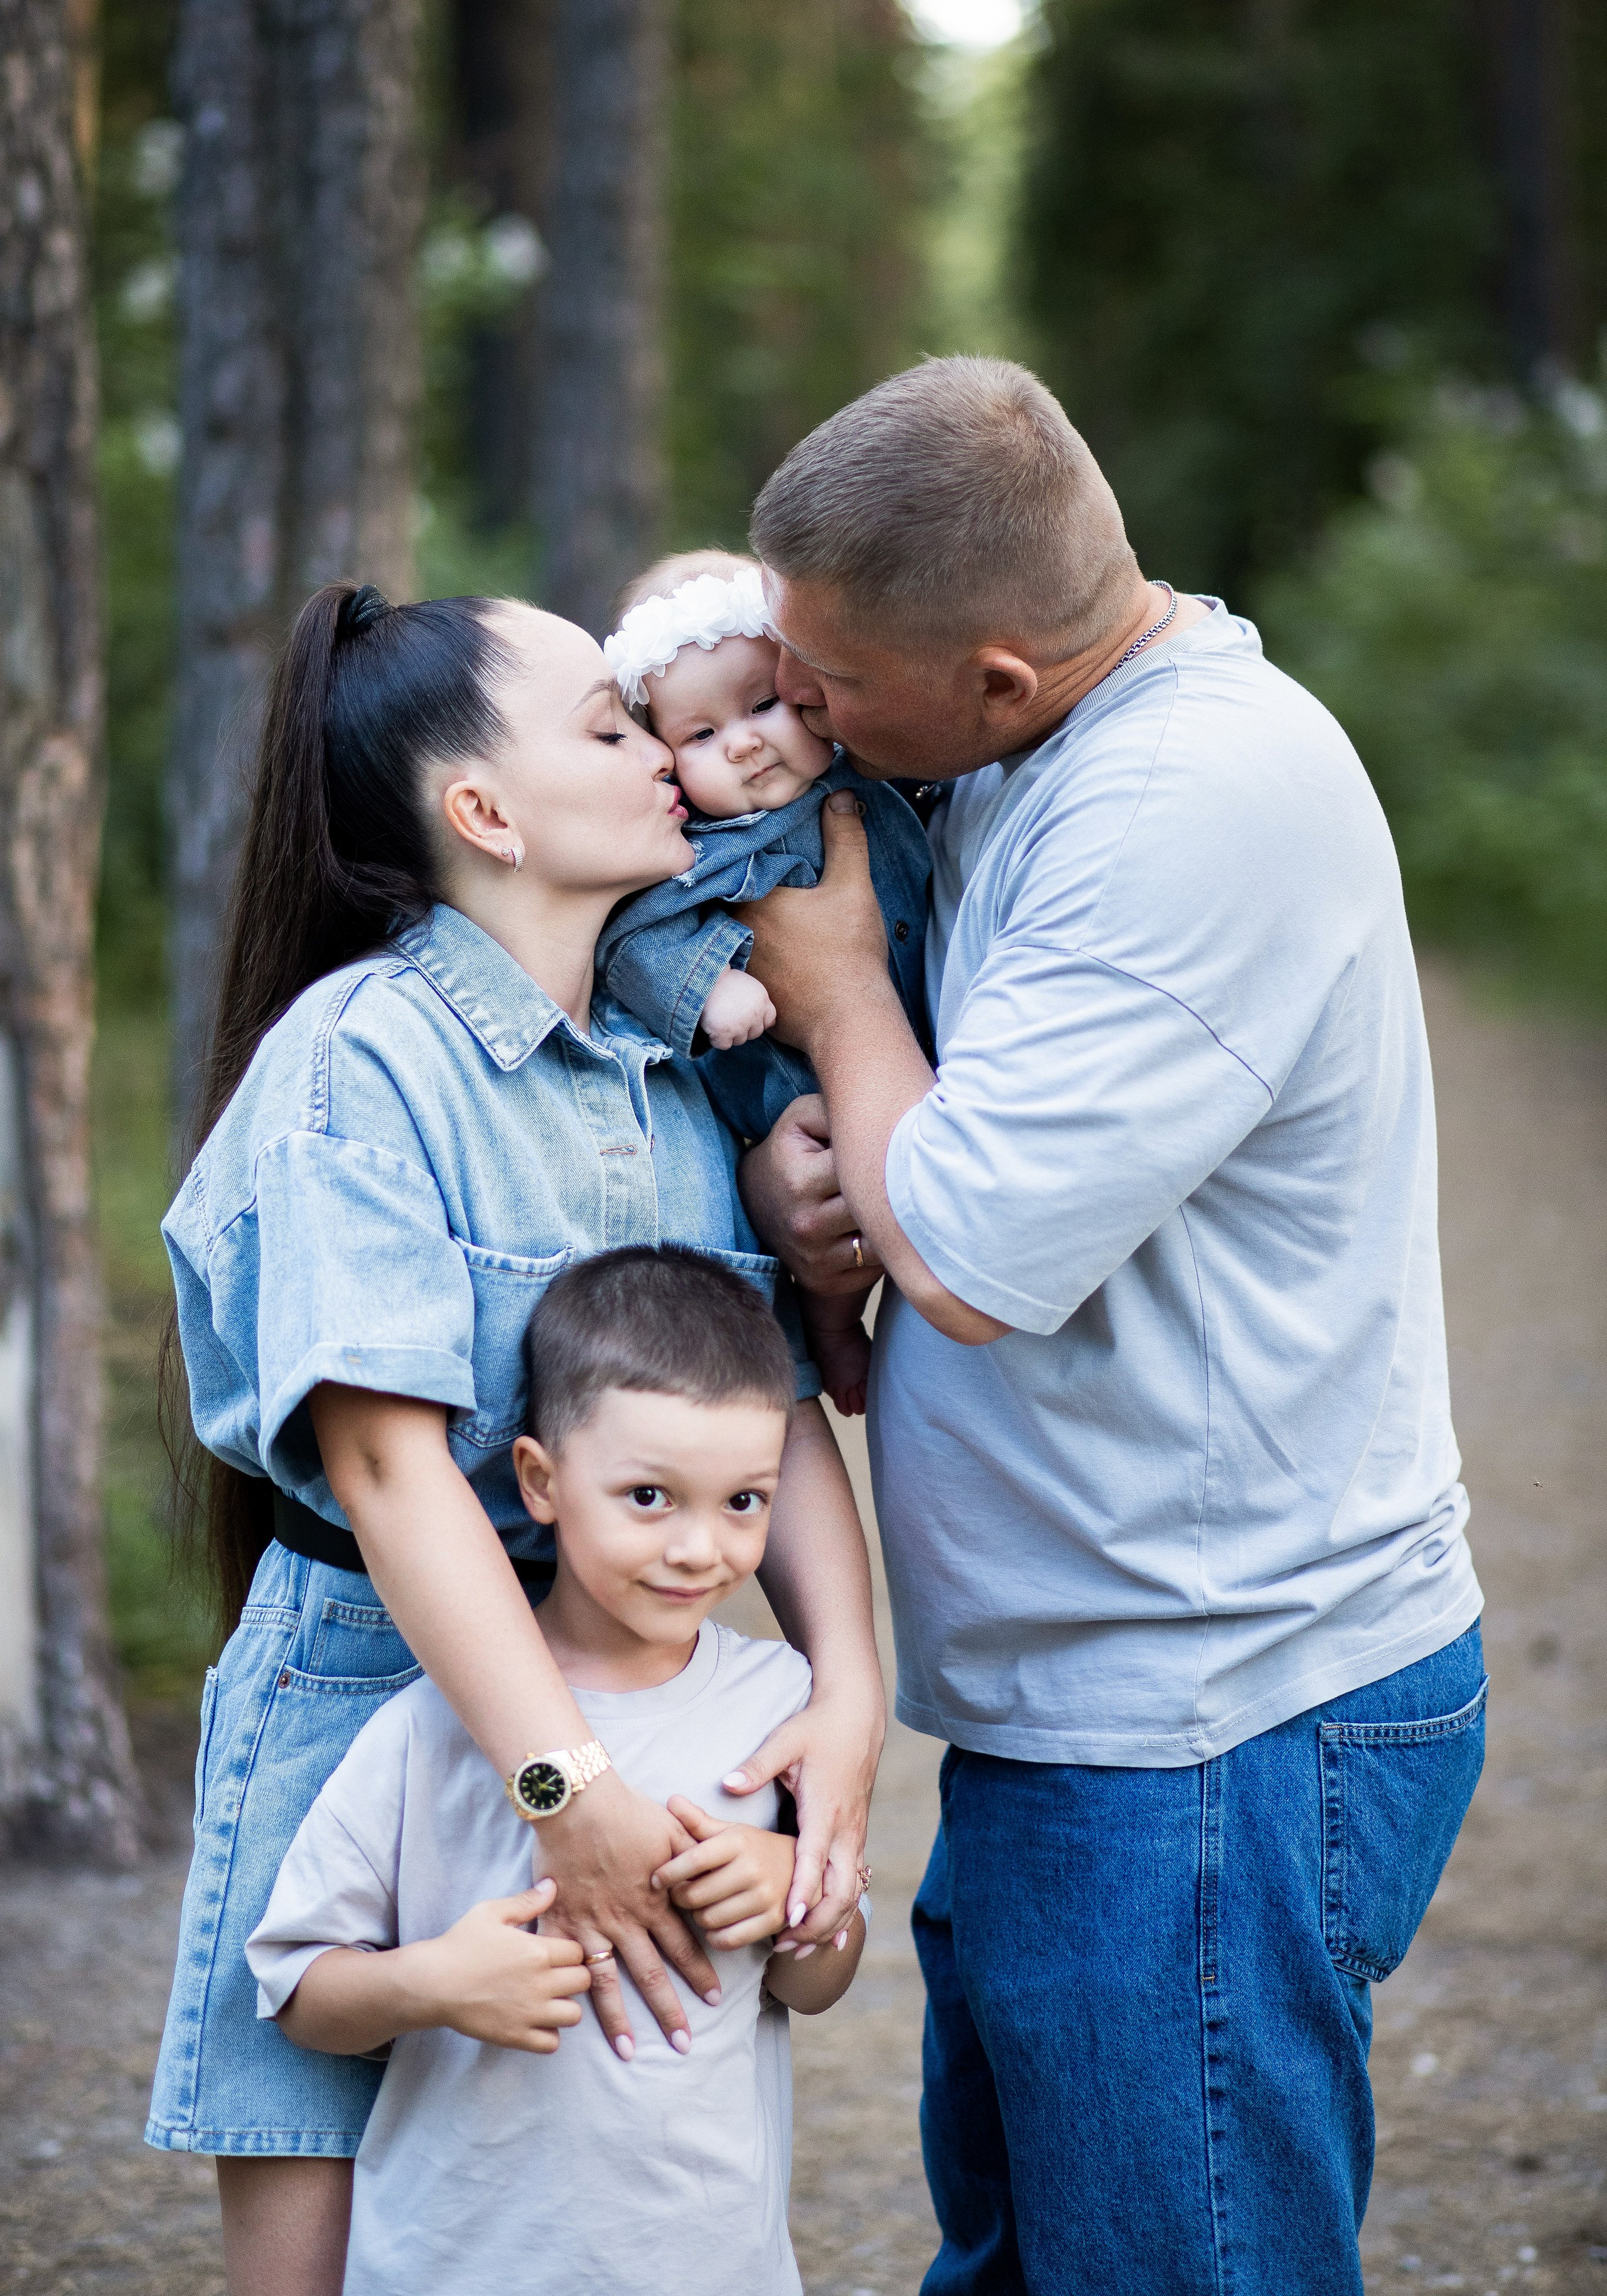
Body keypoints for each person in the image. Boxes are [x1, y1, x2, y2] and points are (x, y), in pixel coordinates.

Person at [735, 356, 1488, 2296]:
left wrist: (831, 1000)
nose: (798, 714)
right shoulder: (1026, 752)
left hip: (1213, 1717)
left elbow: (973, 1247)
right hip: (1095, 1698)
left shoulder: (1194, 798)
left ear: (997, 671)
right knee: (1033, 2259)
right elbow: (950, 1149)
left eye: (828, 684)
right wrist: (824, 1177)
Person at [147, 581, 883, 2296]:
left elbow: (764, 1399)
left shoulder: (672, 1072)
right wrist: (564, 1786)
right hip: (365, 1698)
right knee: (327, 2250)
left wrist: (845, 1692)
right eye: (614, 726)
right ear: (484, 812)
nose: (663, 749)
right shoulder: (358, 1069)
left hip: (628, 1663)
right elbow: (395, 1473)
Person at [245, 1247, 864, 2296]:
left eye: (745, 1502)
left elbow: (818, 1982)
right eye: (650, 1497)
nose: (700, 1549)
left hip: (707, 2265)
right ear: (541, 1480)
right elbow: (298, 1991)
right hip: (457, 2265)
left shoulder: (778, 1711)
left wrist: (797, 1901)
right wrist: (430, 1983)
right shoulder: (435, 1726)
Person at [594, 547, 931, 1415]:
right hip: (790, 1087)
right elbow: (633, 940)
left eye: (765, 704)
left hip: (913, 1044)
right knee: (832, 1197)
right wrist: (709, 988)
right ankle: (828, 1327)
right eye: (701, 736)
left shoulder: (869, 776)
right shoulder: (697, 856)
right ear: (665, 760)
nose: (744, 743)